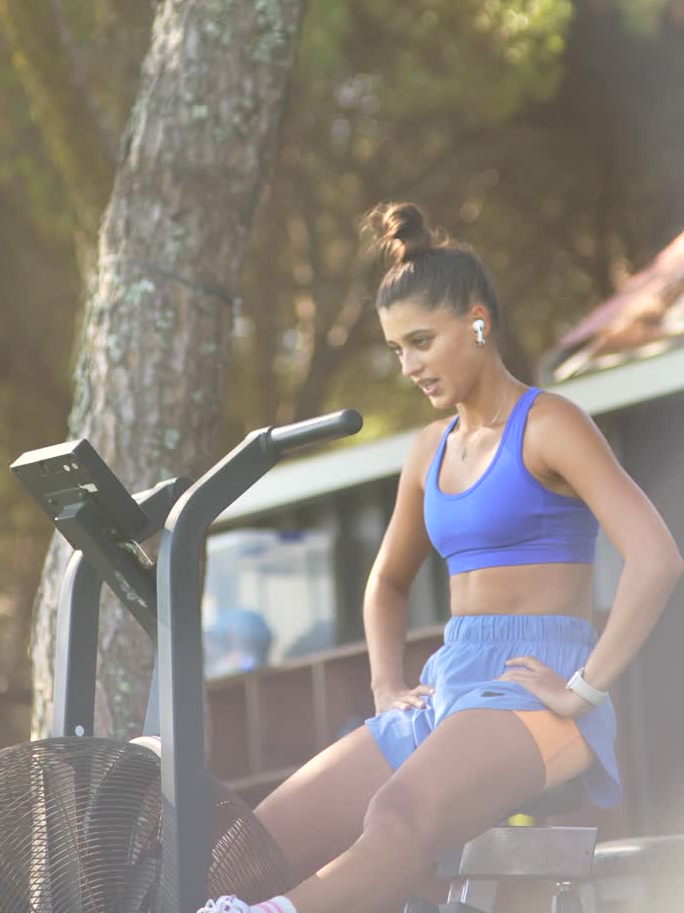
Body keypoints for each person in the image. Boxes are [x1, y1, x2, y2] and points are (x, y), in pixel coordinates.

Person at [202, 201, 683, 913]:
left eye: (421, 341)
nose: (409, 366)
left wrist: (584, 690)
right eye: (397, 349)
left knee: (396, 819)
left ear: (478, 321)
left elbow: (657, 558)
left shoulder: (549, 424)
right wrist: (386, 687)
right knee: (243, 852)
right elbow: (387, 584)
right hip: (446, 685)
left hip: (533, 688)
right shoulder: (428, 450)